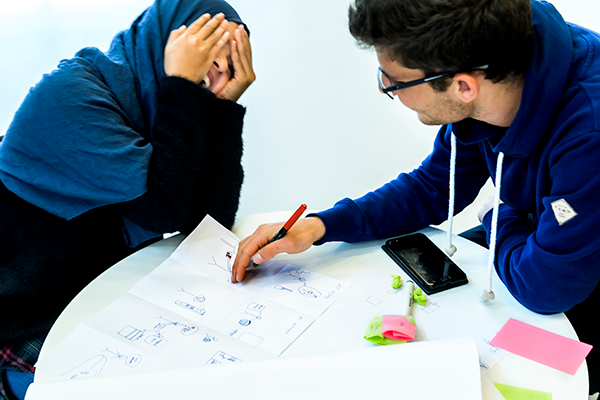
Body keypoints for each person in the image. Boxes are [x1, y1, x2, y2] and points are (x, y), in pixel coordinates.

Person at [231, 0, 600, 394]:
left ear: (463, 86)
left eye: (395, 81)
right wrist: (320, 226)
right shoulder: (494, 71)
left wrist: (499, 214)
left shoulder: (588, 131)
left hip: (579, 278)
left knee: (509, 379)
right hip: (543, 239)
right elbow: (432, 187)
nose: (383, 87)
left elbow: (548, 287)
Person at [0, 0, 254, 398]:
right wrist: (183, 88)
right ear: (166, 44)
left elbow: (208, 221)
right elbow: (161, 210)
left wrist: (223, 107)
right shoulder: (68, 97)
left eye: (228, 64)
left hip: (102, 297)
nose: (215, 73)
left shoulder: (164, 101)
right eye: (203, 54)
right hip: (29, 320)